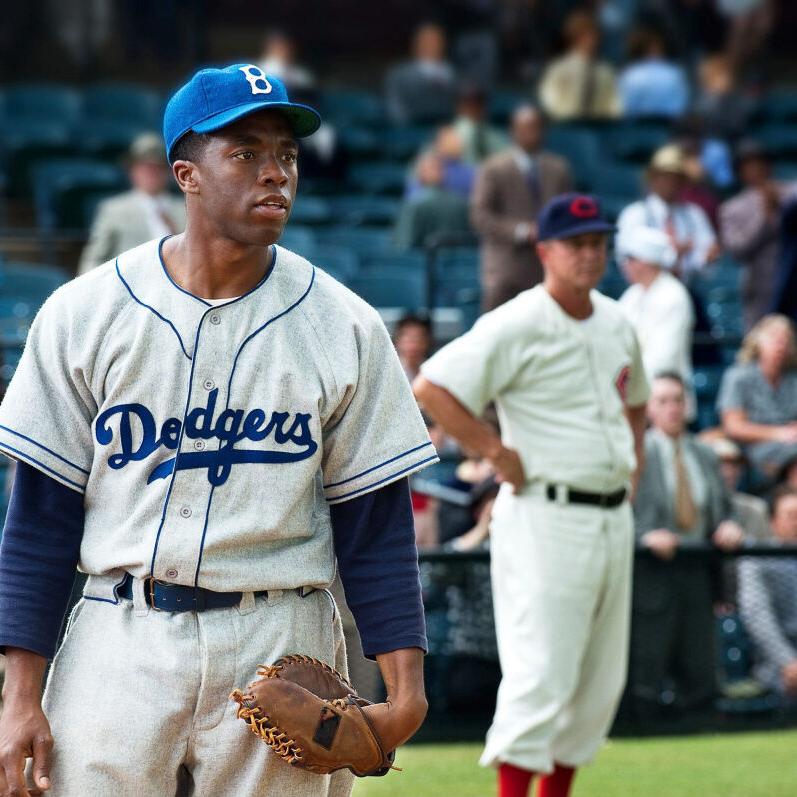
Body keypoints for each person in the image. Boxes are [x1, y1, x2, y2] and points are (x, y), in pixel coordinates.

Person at [0, 65, 438, 796]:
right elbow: (39, 524)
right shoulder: (84, 314)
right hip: (120, 630)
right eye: (245, 152)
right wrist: (18, 695)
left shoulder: (347, 326)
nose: (275, 173)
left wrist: (408, 688)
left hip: (279, 636)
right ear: (186, 173)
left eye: (287, 155)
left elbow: (376, 528)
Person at [414, 194, 649, 797]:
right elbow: (434, 385)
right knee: (540, 672)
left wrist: (634, 467)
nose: (590, 254)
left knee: (599, 681)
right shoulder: (518, 320)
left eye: (598, 242)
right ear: (545, 250)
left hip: (609, 512)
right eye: (577, 243)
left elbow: (639, 402)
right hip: (546, 512)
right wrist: (492, 451)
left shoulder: (618, 319)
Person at [631, 373, 745, 717]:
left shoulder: (705, 454)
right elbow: (616, 510)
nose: (672, 409)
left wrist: (728, 526)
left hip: (697, 566)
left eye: (678, 400)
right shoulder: (636, 453)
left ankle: (701, 724)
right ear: (649, 408)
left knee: (700, 662)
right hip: (650, 571)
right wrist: (643, 535)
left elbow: (724, 509)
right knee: (647, 662)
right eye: (663, 401)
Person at [470, 105, 573, 311]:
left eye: (535, 128)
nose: (530, 134)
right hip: (506, 268)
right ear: (513, 131)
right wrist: (523, 231)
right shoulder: (494, 168)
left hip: (548, 267)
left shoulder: (558, 168)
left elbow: (567, 211)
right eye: (524, 128)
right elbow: (480, 216)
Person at [78, 132, 186, 274]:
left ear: (169, 172)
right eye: (144, 168)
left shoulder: (187, 208)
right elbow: (95, 257)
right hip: (129, 285)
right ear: (132, 171)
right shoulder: (113, 210)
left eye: (157, 168)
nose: (151, 174)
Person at [720, 140, 797, 331]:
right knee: (762, 345)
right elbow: (738, 250)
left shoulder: (791, 193)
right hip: (761, 289)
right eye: (749, 165)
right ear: (739, 170)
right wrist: (765, 216)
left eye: (760, 163)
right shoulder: (732, 208)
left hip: (795, 281)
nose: (756, 169)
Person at [617, 226, 695, 407]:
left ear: (645, 262)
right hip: (632, 392)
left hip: (665, 400)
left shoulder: (674, 295)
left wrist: (629, 385)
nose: (625, 265)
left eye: (630, 259)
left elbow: (662, 358)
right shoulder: (632, 294)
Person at [617, 145, 720, 281]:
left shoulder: (694, 214)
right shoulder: (634, 214)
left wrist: (705, 258)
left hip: (688, 289)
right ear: (653, 178)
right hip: (646, 292)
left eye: (677, 178)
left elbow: (706, 255)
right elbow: (627, 260)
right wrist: (673, 254)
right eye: (665, 177)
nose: (671, 183)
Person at [718, 314, 797, 478]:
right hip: (756, 447)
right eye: (774, 338)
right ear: (757, 341)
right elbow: (733, 426)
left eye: (785, 339)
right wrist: (779, 433)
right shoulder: (738, 377)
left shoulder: (793, 378)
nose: (780, 345)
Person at [738, 485, 797, 701]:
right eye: (791, 516)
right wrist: (788, 663)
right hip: (775, 662)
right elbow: (757, 615)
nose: (796, 522)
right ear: (773, 521)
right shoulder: (757, 559)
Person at [537, 10, 621, 121]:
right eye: (586, 35)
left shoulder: (606, 71)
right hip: (566, 126)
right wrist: (566, 117)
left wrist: (607, 118)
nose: (592, 40)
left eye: (594, 35)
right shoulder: (559, 68)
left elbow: (614, 104)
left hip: (600, 128)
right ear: (575, 37)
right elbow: (549, 99)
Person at [394, 152, 471, 251]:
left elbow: (403, 246)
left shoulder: (414, 204)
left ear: (421, 174)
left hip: (421, 264)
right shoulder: (463, 203)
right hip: (459, 265)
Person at [700, 435, 771, 542]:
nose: (729, 472)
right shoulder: (695, 506)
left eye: (735, 465)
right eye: (721, 464)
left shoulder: (754, 508)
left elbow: (764, 556)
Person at [385, 22, 458, 125]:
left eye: (437, 40)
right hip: (413, 130)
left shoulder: (454, 74)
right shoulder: (399, 75)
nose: (432, 45)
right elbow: (396, 111)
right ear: (416, 43)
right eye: (427, 40)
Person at [618, 27, 690, 119]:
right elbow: (681, 105)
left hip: (638, 127)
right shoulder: (674, 72)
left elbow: (626, 107)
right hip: (668, 126)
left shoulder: (629, 75)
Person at [452, 83, 508, 166]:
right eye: (468, 103)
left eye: (478, 103)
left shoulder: (495, 136)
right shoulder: (448, 138)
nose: (473, 108)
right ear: (459, 106)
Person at [392, 313, 433, 383]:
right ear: (397, 341)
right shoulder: (389, 371)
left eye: (418, 339)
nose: (413, 346)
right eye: (408, 340)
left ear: (427, 342)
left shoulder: (433, 371)